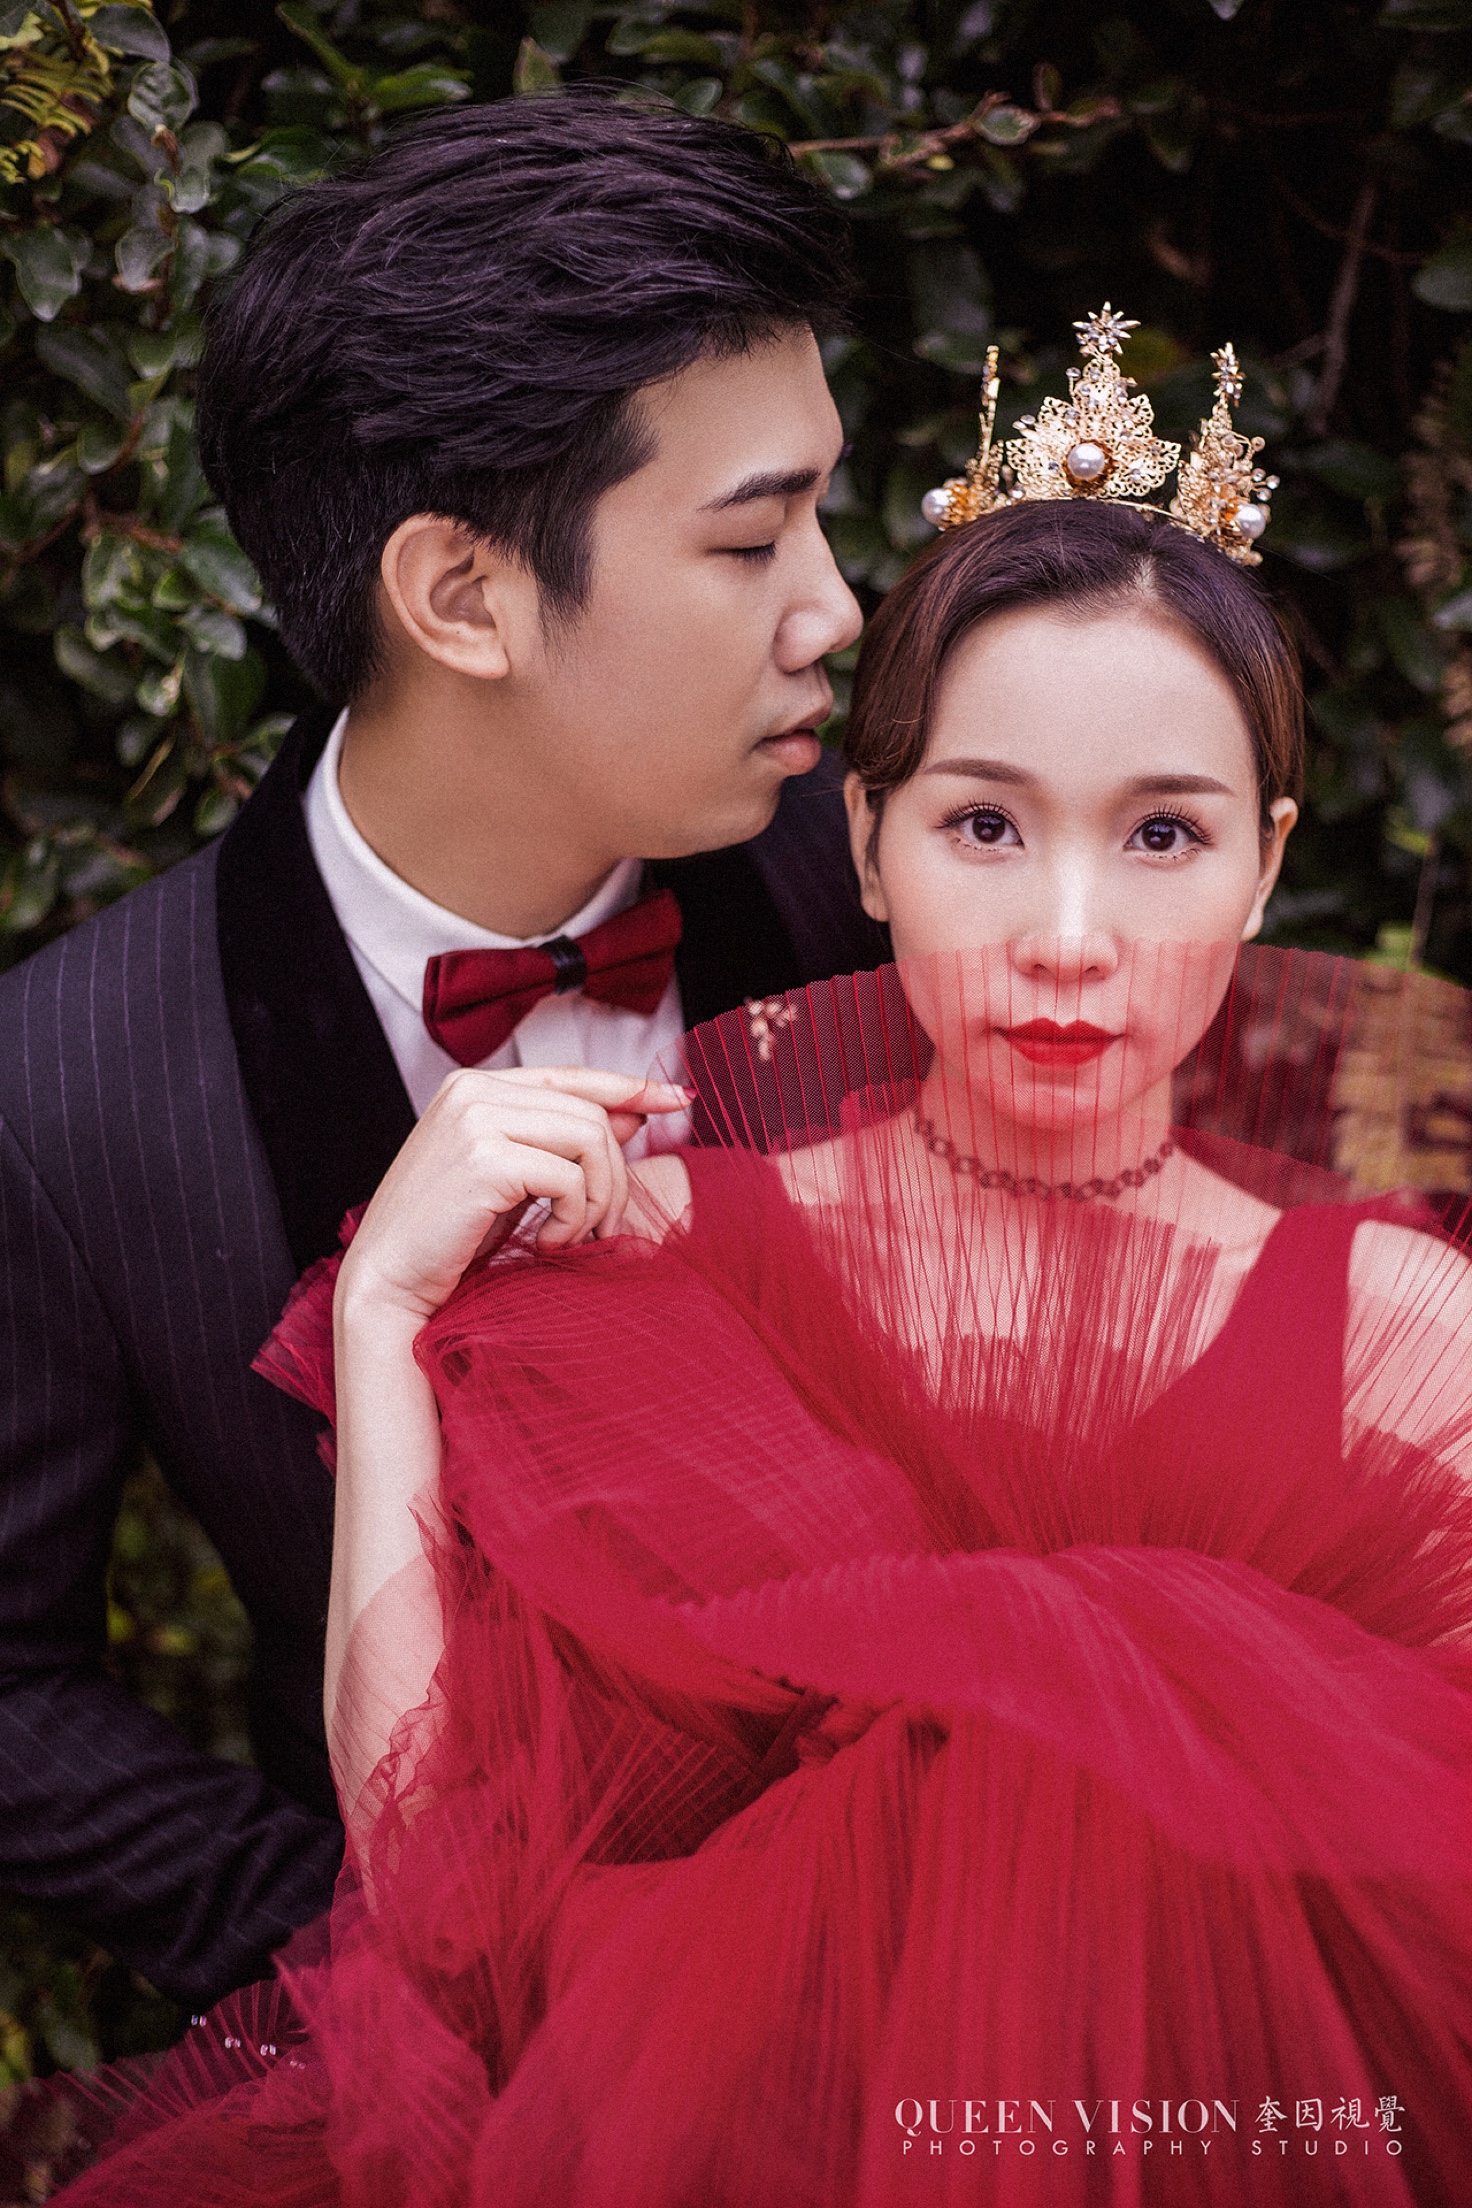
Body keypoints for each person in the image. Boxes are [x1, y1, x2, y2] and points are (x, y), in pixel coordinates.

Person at [42, 499, 1472, 2204]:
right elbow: (431, 1882)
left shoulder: (1403, 1333)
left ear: (1268, 863)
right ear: (865, 840)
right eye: (984, 824)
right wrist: (385, 1317)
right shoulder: (654, 1263)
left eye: (1165, 833)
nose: (1069, 934)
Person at [0, 90, 884, 2014]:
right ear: (464, 596)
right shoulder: (68, 1091)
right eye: (754, 539)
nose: (835, 607)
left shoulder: (896, 891)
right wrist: (354, 1966)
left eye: (820, 514)